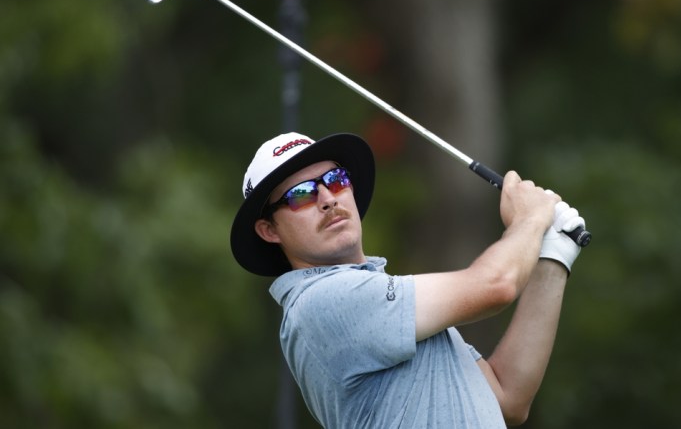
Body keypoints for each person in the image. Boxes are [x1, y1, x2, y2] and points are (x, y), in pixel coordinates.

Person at [230, 132, 585, 428]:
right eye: (301, 195)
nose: (327, 199)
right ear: (269, 230)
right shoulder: (322, 301)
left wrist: (553, 256)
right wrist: (529, 220)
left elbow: (508, 396)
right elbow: (496, 285)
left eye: (336, 180)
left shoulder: (392, 307)